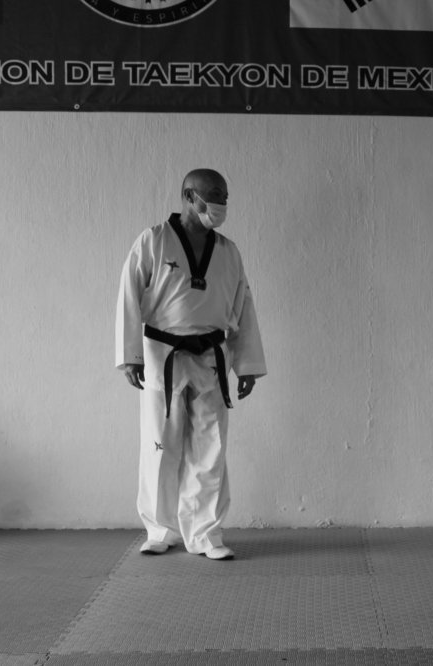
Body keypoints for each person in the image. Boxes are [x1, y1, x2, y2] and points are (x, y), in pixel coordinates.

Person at [115, 168, 266, 560]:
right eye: (213, 194)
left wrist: (246, 363)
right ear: (188, 195)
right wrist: (130, 357)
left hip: (212, 357)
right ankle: (159, 529)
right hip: (162, 355)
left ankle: (205, 535)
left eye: (225, 196)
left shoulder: (229, 251)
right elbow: (129, 298)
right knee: (161, 444)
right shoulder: (153, 241)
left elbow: (242, 306)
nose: (221, 203)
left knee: (210, 447)